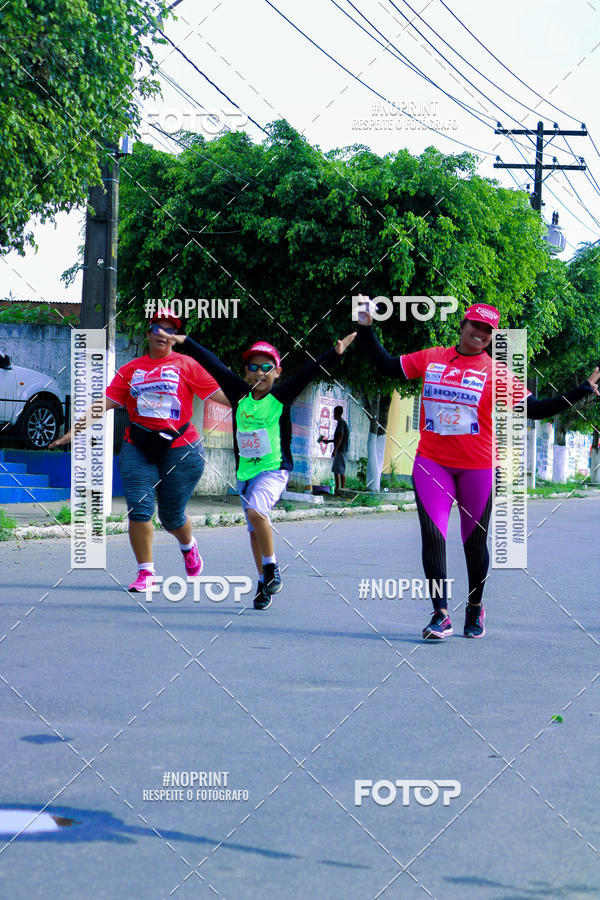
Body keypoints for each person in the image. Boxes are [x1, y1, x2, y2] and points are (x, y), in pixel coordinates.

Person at [356, 297, 600, 640]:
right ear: (462, 326)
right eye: (476, 326)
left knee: (474, 542)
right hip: (432, 464)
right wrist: (366, 328)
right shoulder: (433, 358)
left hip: (477, 469)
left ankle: (474, 606)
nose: (481, 334)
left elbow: (537, 409)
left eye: (488, 331)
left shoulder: (497, 373)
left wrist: (581, 392)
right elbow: (385, 365)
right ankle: (440, 614)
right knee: (432, 535)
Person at [158, 328, 356, 610]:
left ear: (277, 371)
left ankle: (272, 569)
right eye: (253, 367)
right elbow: (212, 362)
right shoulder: (239, 394)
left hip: (274, 470)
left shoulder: (280, 396)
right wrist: (185, 342)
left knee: (256, 512)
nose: (259, 372)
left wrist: (334, 354)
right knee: (253, 529)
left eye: (267, 367)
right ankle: (263, 582)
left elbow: (310, 371)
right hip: (245, 475)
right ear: (246, 371)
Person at [50, 309, 230, 592]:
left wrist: (257, 408)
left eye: (169, 330)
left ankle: (188, 545)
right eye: (157, 327)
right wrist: (74, 430)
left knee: (172, 516)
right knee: (139, 507)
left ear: (174, 338)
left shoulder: (187, 365)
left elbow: (223, 397)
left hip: (181, 448)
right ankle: (146, 572)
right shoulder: (131, 369)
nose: (162, 333)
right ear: (148, 334)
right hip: (139, 445)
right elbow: (104, 403)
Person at [320, 406, 350, 492]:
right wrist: (328, 441)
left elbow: (340, 437)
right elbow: (339, 438)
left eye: (335, 412)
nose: (334, 414)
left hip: (340, 450)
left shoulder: (341, 423)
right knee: (337, 470)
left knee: (339, 471)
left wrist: (335, 450)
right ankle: (338, 489)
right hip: (341, 450)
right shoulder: (341, 423)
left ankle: (341, 489)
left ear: (338, 413)